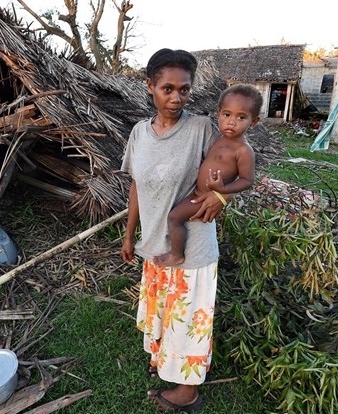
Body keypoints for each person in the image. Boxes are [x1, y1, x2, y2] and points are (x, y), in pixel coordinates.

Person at [120, 48, 229, 413]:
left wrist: (221, 196)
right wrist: (129, 234)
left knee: (186, 320)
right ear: (150, 86)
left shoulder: (200, 129)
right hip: (154, 244)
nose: (176, 98)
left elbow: (229, 165)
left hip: (192, 247)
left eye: (184, 89)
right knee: (164, 313)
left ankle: (187, 391)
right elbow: (136, 185)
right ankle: (162, 361)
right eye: (167, 88)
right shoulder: (139, 133)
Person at [153, 84, 262, 267]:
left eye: (241, 117)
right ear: (218, 114)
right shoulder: (218, 138)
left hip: (203, 198)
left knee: (174, 217)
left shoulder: (243, 150)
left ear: (254, 121)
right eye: (227, 115)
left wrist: (223, 191)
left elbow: (247, 180)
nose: (231, 122)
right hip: (196, 191)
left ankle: (176, 254)